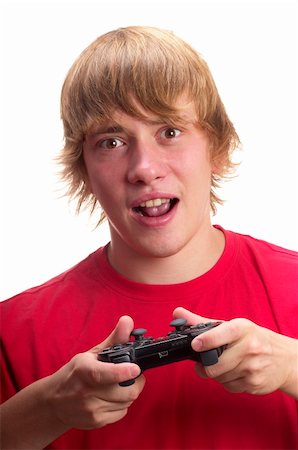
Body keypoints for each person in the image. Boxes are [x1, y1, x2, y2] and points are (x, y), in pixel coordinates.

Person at [0, 25, 297, 450]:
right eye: (112, 141)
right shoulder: (12, 332)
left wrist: (291, 367)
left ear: (217, 147)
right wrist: (47, 408)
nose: (143, 167)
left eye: (170, 132)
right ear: (83, 170)